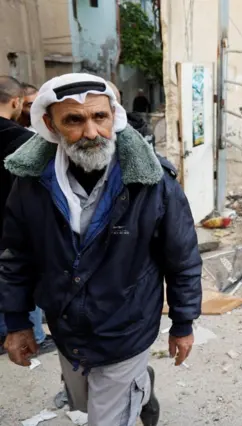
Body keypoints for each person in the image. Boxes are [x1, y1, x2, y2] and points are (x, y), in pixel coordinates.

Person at [0, 73, 202, 426]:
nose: (91, 132)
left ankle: (133, 386)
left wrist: (183, 323)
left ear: (115, 116)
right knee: (81, 401)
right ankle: (142, 388)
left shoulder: (153, 182)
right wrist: (16, 322)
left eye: (99, 117)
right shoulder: (31, 183)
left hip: (126, 328)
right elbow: (16, 257)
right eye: (74, 121)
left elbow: (182, 256)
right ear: (50, 124)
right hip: (67, 329)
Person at [0, 76, 55, 356]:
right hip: (15, 221)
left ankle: (7, 329)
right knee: (22, 271)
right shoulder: (22, 141)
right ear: (15, 102)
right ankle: (32, 333)